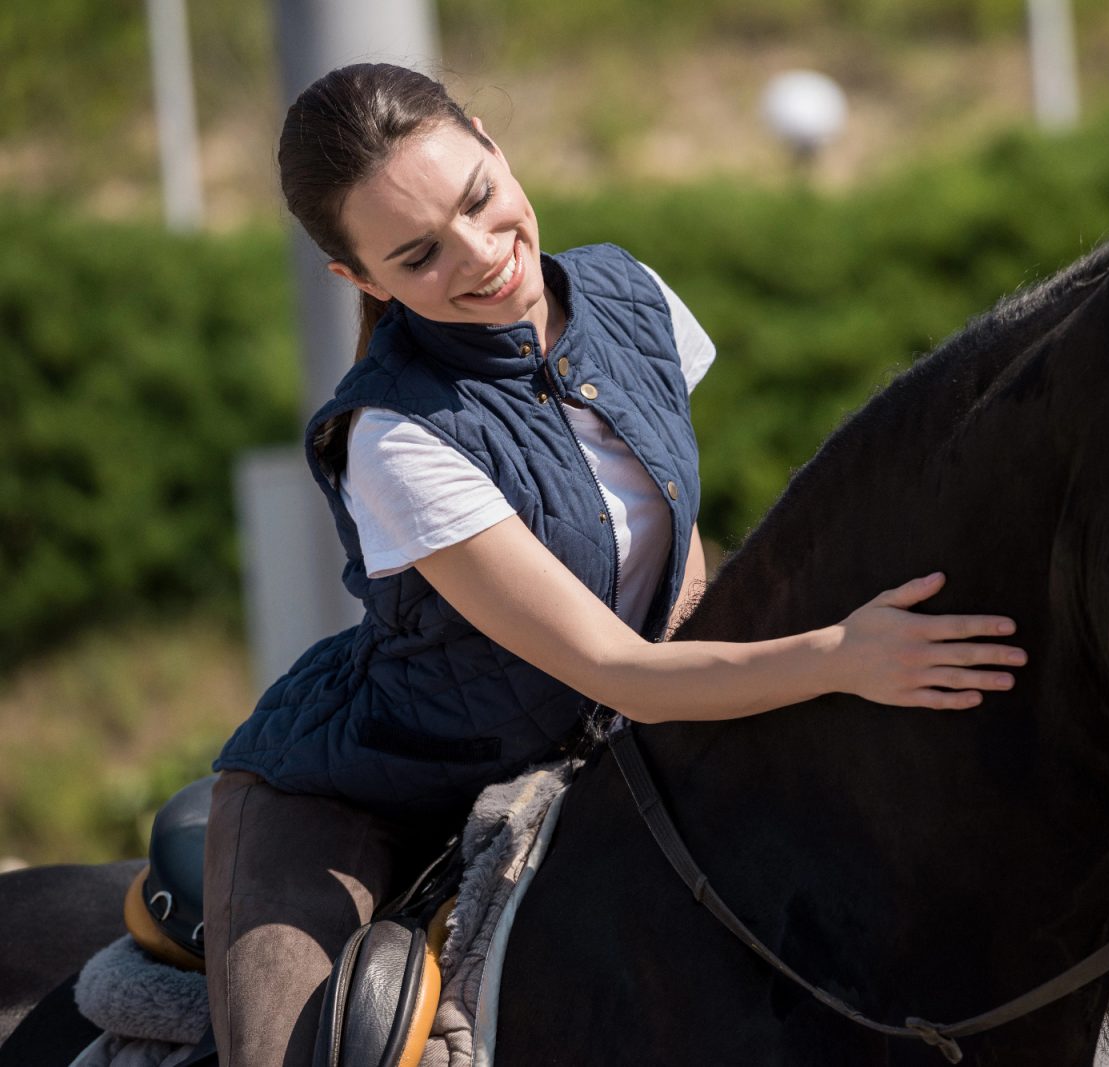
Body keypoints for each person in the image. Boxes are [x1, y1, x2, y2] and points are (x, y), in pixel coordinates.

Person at [202, 62, 1027, 1065]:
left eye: (478, 197)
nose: (481, 254)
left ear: (493, 144)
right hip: (357, 792)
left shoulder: (630, 294)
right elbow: (617, 668)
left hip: (596, 745)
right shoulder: (392, 432)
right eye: (418, 255)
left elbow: (675, 569)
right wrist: (842, 655)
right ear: (363, 282)